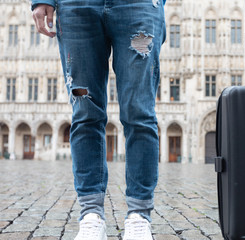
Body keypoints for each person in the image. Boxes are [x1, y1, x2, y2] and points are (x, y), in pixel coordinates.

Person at [31, 0, 166, 239]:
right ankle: (91, 215)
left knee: (140, 114)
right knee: (85, 114)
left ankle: (139, 216)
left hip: (138, 5)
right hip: (76, 6)